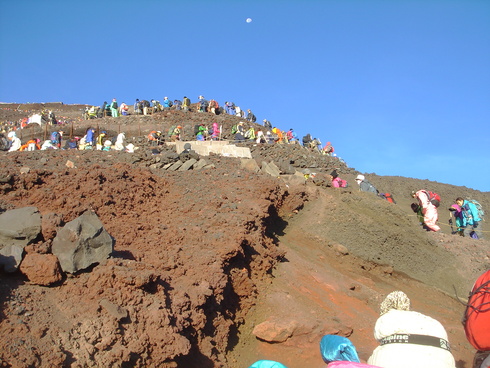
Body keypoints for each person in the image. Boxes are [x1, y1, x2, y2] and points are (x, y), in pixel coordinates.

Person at [368, 291, 456, 368]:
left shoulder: (386, 318)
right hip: (445, 361)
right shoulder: (432, 322)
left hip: (397, 359)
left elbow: (380, 339)